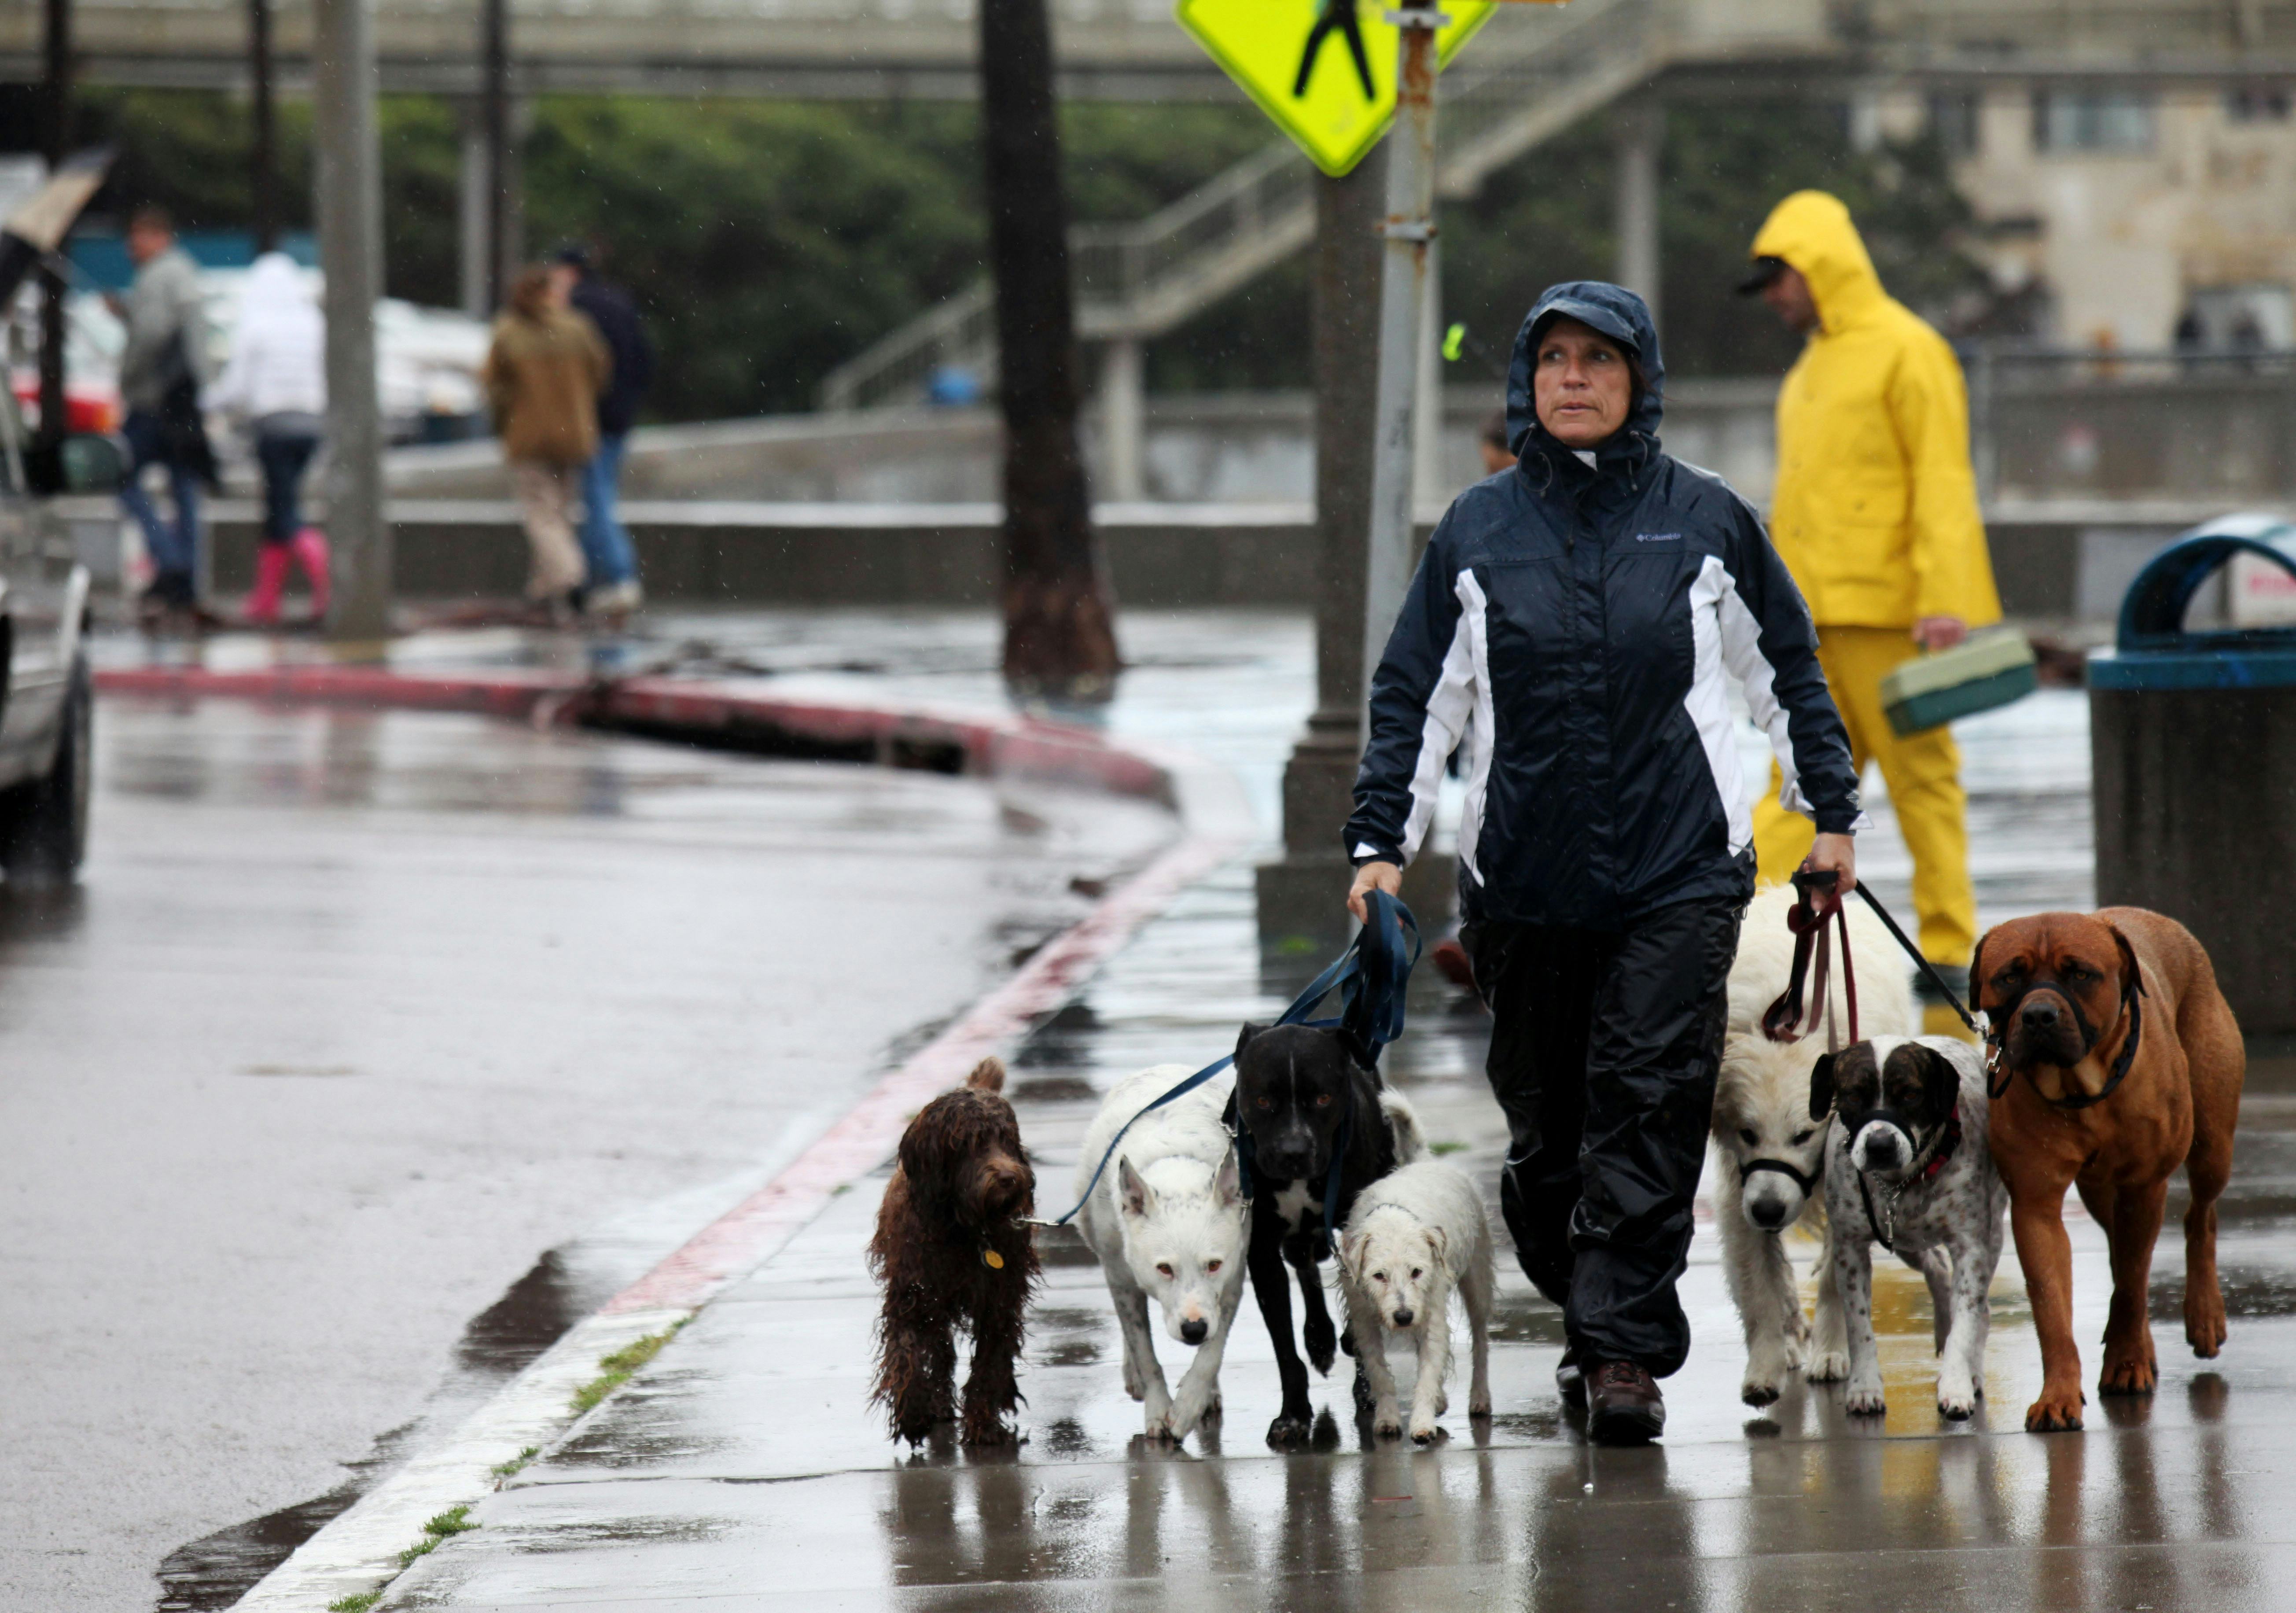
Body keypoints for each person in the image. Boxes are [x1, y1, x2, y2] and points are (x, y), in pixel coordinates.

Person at [1344, 283, 1862, 1445]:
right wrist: (1383, 844)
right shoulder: (1476, 531)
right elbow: (1416, 701)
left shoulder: (1710, 520)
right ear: (1527, 381)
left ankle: (1625, 1352)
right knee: (1546, 1135)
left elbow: (1788, 667)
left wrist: (1829, 807)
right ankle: (1589, 1318)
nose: (1574, 378)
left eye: (1600, 360)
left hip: (1679, 873)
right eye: (1554, 359)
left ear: (1641, 383)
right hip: (1522, 885)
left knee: (1646, 1102)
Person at [1740, 191, 2002, 1014]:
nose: (1776, 296)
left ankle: (1952, 948)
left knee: (1924, 781)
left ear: (1819, 266)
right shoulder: (1817, 361)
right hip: (1817, 616)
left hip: (1892, 614)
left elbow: (1942, 477)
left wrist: (1944, 597)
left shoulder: (1907, 349)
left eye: (1780, 278)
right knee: (1800, 786)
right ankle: (1750, 923)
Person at [206, 252, 330, 625]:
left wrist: (208, 400)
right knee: (279, 511)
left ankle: (329, 581)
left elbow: (237, 387)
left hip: (274, 429)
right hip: (310, 426)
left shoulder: (255, 326)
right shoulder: (313, 322)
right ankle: (267, 598)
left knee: (284, 512)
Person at [481, 264, 609, 616]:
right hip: (575, 435)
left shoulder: (509, 331)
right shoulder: (577, 328)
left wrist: (504, 424)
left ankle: (570, 578)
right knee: (562, 512)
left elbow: (494, 387)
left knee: (541, 514)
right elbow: (601, 372)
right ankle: (543, 590)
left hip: (529, 434)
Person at [112, 206, 213, 616]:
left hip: (154, 401)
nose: (131, 246)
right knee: (184, 486)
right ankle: (184, 576)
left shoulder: (157, 276)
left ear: (160, 237)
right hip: (184, 401)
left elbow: (153, 334)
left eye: (139, 237)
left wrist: (127, 376)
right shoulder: (186, 274)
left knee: (120, 477)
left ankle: (169, 559)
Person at [551, 244, 652, 618]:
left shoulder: (576, 311)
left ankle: (619, 578)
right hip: (620, 418)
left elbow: (584, 370)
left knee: (596, 500)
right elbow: (644, 360)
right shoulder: (619, 302)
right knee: (598, 496)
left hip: (591, 419)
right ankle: (596, 583)